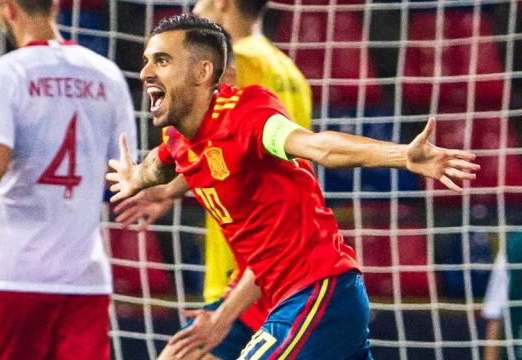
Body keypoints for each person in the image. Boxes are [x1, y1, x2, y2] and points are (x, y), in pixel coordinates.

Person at [106, 14, 479, 359]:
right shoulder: (181, 139)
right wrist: (136, 178)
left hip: (318, 289)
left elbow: (319, 147)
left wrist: (402, 156)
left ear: (204, 72)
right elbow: (160, 164)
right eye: (146, 60)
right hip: (280, 294)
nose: (145, 72)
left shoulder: (246, 113)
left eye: (162, 60)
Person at [114, 1, 312, 358]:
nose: (194, 8)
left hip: (247, 265)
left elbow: (222, 140)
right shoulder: (289, 71)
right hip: (278, 261)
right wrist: (170, 190)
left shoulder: (239, 64)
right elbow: (235, 152)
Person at [0, 0, 137, 359]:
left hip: (13, 275)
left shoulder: (0, 73)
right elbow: (124, 173)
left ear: (7, 7)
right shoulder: (107, 75)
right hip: (84, 278)